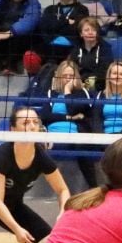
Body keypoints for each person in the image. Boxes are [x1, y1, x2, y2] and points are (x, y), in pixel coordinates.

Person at [0, 107, 71, 243]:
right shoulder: (0, 157)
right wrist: (17, 229)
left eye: (35, 122)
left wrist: (63, 212)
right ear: (13, 129)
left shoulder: (41, 157)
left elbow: (62, 190)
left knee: (50, 242)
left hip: (13, 206)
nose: (32, 126)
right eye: (26, 123)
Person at [37, 60, 98, 189]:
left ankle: (94, 187)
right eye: (65, 76)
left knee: (82, 147)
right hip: (52, 135)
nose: (68, 79)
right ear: (59, 76)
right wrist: (68, 117)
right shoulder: (52, 94)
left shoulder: (83, 93)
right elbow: (45, 116)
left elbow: (72, 109)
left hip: (75, 134)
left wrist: (67, 91)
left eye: (71, 76)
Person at [0, 0, 41, 74]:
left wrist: (9, 33)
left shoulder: (32, 0)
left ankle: (12, 67)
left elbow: (32, 19)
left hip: (17, 38)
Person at [37, 0, 90, 65]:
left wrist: (56, 25)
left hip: (73, 49)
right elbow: (45, 28)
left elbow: (77, 30)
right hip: (51, 49)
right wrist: (67, 22)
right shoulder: (50, 10)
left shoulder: (82, 10)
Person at [68, 17, 113, 93]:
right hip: (78, 85)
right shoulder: (76, 49)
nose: (90, 33)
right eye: (86, 30)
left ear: (97, 33)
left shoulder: (105, 48)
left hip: (99, 87)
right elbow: (72, 67)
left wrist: (87, 82)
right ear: (81, 34)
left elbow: (105, 71)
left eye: (93, 30)